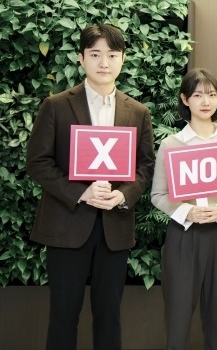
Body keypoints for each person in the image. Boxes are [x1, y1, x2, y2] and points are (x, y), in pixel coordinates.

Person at [26, 24, 155, 350]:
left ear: (123, 59)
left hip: (114, 228)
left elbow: (145, 166)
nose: (104, 62)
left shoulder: (138, 112)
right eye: (95, 54)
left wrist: (123, 194)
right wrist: (81, 192)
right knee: (63, 315)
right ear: (81, 58)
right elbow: (38, 162)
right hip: (67, 225)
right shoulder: (56, 105)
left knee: (109, 316)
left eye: (112, 55)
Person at [151, 68, 217, 350]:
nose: (206, 101)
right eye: (198, 95)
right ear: (185, 99)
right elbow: (158, 194)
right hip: (184, 238)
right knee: (177, 320)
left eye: (212, 95)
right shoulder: (171, 144)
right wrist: (187, 212)